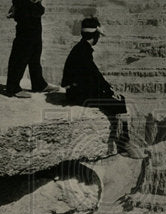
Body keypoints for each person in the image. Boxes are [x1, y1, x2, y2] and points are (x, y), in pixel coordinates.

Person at [61, 17, 142, 158]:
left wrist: (108, 90)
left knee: (117, 99)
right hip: (78, 95)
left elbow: (93, 76)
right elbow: (92, 78)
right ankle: (124, 143)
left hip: (77, 91)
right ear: (96, 35)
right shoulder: (83, 52)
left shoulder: (81, 48)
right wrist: (109, 92)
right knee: (118, 102)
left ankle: (123, 141)